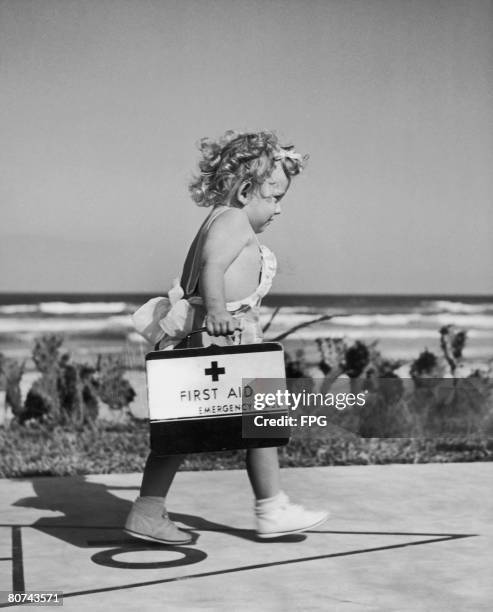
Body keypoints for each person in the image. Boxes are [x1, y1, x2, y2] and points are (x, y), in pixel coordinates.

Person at [125, 130, 328, 544]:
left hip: (214, 336)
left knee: (183, 432)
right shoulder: (233, 221)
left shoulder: (220, 219)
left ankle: (150, 510)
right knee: (257, 423)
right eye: (274, 197)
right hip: (218, 337)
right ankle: (270, 509)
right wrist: (218, 311)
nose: (279, 209)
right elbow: (212, 267)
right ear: (245, 190)